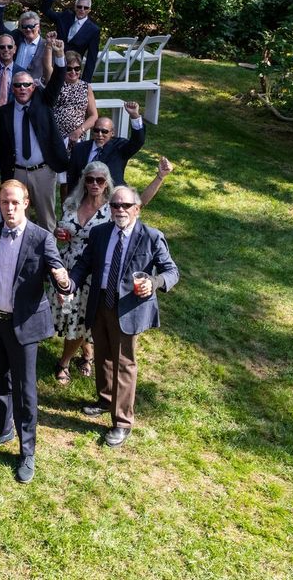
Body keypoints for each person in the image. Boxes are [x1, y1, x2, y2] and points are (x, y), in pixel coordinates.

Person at [0, 180, 69, 484]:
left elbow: (58, 273)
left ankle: (27, 452)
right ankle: (2, 431)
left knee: (25, 391)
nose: (9, 208)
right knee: (0, 382)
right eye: (4, 202)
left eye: (14, 202)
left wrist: (63, 281)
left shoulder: (41, 237)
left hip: (23, 325)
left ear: (26, 203)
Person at [62, 185, 180, 447]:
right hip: (101, 302)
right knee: (103, 354)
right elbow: (84, 264)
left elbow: (172, 271)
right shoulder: (100, 233)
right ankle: (105, 400)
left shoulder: (151, 236)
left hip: (128, 307)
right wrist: (70, 284)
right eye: (115, 205)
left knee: (124, 363)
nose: (120, 210)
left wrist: (154, 282)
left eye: (126, 205)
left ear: (137, 209)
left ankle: (122, 422)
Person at [51, 160, 113, 384]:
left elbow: (139, 204)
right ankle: (87, 354)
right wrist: (59, 232)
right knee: (70, 313)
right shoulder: (71, 203)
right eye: (90, 179)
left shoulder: (112, 210)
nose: (95, 184)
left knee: (81, 318)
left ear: (106, 184)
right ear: (84, 181)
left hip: (92, 273)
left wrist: (160, 178)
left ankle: (64, 362)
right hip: (67, 270)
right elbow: (61, 227)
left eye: (100, 180)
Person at [0, 65, 69, 230]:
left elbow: (57, 80)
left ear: (33, 87)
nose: (22, 88)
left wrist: (59, 57)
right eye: (18, 85)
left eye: (26, 84)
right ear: (12, 88)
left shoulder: (45, 104)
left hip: (43, 172)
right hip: (16, 172)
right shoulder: (2, 113)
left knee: (46, 220)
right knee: (16, 221)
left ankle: (48, 247)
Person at [65, 101, 148, 189]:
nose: (100, 134)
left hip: (111, 194)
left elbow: (137, 141)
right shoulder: (79, 148)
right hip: (86, 194)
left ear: (112, 133)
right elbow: (72, 179)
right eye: (96, 130)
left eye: (104, 131)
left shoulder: (120, 147)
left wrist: (134, 116)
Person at [39, 0, 101, 81]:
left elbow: (91, 58)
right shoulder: (65, 16)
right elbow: (45, 10)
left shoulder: (93, 30)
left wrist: (85, 82)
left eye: (85, 8)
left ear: (89, 10)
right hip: (54, 63)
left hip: (72, 70)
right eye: (79, 6)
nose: (82, 10)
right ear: (75, 7)